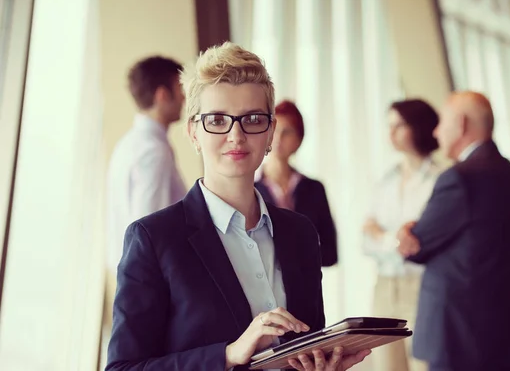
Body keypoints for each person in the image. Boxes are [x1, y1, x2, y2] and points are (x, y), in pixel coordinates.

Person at [106, 42, 370, 371]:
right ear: (193, 132)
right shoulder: (152, 239)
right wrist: (229, 354)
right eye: (217, 120)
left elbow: (306, 346)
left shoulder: (300, 233)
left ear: (270, 132)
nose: (236, 135)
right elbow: (123, 368)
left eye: (253, 119)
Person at [398, 92, 510, 371]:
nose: (435, 131)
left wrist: (406, 233)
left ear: (460, 124)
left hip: (457, 333)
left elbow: (416, 246)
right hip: (500, 325)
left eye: (441, 122)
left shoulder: (459, 178)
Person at [362, 99, 441, 371]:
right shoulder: (386, 181)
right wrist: (397, 239)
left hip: (422, 287)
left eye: (399, 125)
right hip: (384, 288)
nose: (391, 133)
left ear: (418, 127)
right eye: (389, 126)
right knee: (387, 367)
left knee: (423, 365)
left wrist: (382, 234)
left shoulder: (440, 179)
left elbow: (427, 240)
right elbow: (365, 238)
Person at [106, 56, 187, 276]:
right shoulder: (153, 151)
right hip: (151, 281)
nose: (184, 98)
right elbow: (149, 229)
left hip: (133, 275)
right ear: (162, 95)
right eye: (180, 89)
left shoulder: (128, 144)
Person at [255, 100, 338, 267]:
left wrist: (297, 252)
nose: (278, 138)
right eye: (274, 130)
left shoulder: (314, 189)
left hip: (304, 288)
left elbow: (330, 254)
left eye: (287, 132)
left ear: (299, 140)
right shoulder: (249, 188)